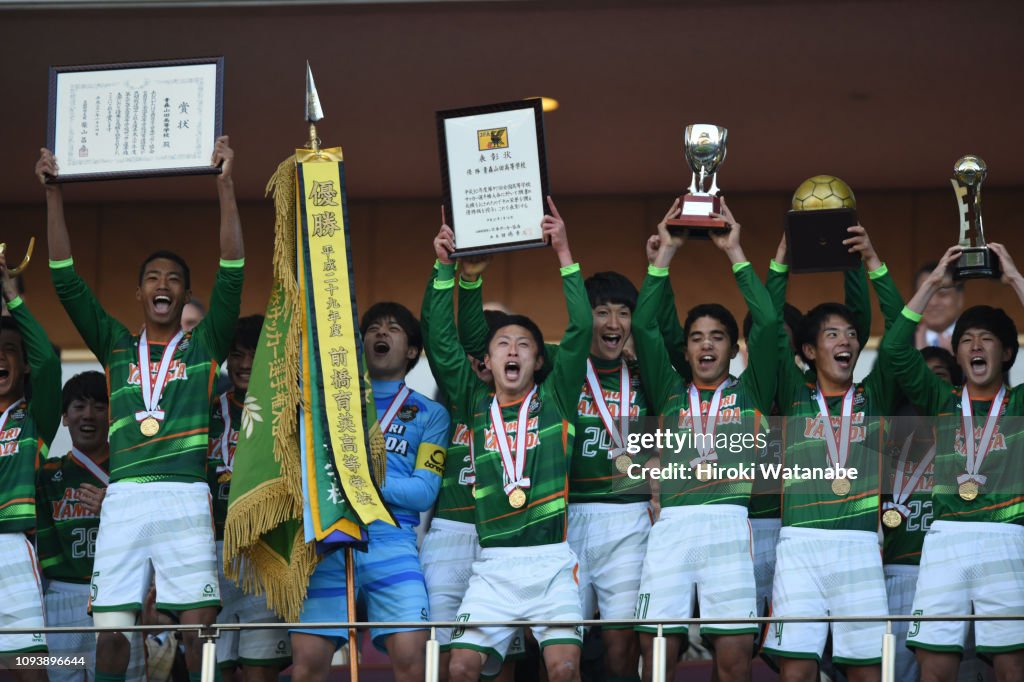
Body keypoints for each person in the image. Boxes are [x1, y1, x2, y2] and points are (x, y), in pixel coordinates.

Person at [37, 136, 244, 682]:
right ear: (139, 293)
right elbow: (63, 278)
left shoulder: (203, 345)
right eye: (153, 277)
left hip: (184, 494)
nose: (163, 285)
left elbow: (233, 270)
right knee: (111, 636)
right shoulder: (114, 345)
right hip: (125, 499)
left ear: (183, 296)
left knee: (199, 632)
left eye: (174, 280)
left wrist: (224, 185)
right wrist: (54, 193)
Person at [425, 197, 590, 682]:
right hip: (492, 565)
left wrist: (563, 252)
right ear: (489, 362)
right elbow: (440, 340)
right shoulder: (475, 404)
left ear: (539, 361)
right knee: (460, 666)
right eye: (503, 345)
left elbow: (580, 328)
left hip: (552, 563)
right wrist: (444, 271)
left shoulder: (557, 398)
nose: (513, 350)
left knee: (562, 668)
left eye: (524, 346)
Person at [632, 200, 777, 682]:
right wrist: (665, 256)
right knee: (655, 659)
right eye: (696, 337)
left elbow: (772, 326)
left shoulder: (751, 390)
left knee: (734, 662)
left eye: (718, 336)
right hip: (672, 527)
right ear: (687, 348)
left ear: (734, 349)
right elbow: (645, 327)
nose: (707, 345)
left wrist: (735, 253)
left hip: (729, 526)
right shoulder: (670, 390)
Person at [760, 225, 903, 682]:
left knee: (867, 674)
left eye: (850, 335)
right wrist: (780, 263)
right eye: (832, 334)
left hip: (860, 547)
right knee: (796, 672)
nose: (845, 342)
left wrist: (868, 262)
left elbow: (899, 333)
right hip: (799, 544)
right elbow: (766, 330)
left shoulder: (874, 396)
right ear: (808, 349)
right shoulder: (794, 394)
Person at [881, 242, 1024, 682]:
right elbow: (894, 349)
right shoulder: (941, 400)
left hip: (1006, 537)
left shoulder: (1018, 403)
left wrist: (1015, 279)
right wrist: (933, 284)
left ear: (1006, 354)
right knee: (935, 668)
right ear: (958, 356)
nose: (976, 346)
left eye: (987, 340)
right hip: (943, 543)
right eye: (966, 340)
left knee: (1011, 667)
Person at [291, 302, 450, 682]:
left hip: (392, 543)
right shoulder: (326, 406)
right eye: (373, 328)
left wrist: (362, 479)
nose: (381, 333)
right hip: (329, 538)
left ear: (412, 350)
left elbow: (423, 492)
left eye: (394, 328)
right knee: (306, 667)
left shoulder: (430, 413)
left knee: (413, 662)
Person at [419, 257, 522, 682]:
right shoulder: (442, 411)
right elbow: (437, 334)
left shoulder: (531, 407)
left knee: (502, 664)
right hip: (448, 535)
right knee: (444, 662)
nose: (482, 361)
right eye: (473, 352)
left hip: (504, 539)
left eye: (492, 350)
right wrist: (448, 271)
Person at [36, 372, 147, 681]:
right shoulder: (47, 475)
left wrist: (113, 507)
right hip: (61, 601)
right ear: (64, 416)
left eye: (100, 406)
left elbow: (152, 530)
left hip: (121, 595)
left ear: (113, 415)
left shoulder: (133, 470)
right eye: (78, 406)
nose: (88, 415)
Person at [207, 315, 291, 680]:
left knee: (260, 674)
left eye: (254, 355)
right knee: (215, 671)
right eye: (236, 354)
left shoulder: (290, 412)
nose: (243, 364)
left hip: (265, 550)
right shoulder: (205, 412)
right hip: (212, 551)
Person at [0, 248, 62, 682]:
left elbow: (49, 361)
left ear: (23, 367)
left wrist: (13, 298)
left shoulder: (33, 418)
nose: (0, 359)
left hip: (12, 546)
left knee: (28, 666)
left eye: (9, 352)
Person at [912, 261, 965, 351]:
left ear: (960, 298)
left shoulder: (976, 339)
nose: (933, 303)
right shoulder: (899, 342)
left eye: (942, 294)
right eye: (926, 295)